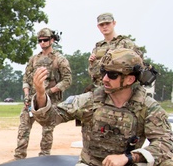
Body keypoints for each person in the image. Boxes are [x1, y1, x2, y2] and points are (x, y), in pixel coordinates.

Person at [32, 48, 173, 166]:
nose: (105, 79)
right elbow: (49, 119)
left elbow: (166, 144)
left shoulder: (147, 108)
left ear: (130, 79)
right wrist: (40, 94)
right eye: (104, 72)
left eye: (112, 75)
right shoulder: (90, 100)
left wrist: (130, 157)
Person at [13, 28, 72, 160]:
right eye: (39, 40)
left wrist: (50, 92)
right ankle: (19, 158)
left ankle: (44, 158)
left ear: (52, 40)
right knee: (23, 127)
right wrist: (27, 94)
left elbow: (67, 80)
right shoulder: (34, 59)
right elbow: (26, 78)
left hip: (50, 100)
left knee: (47, 129)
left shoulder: (59, 59)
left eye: (45, 40)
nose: (42, 43)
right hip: (32, 99)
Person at [88, 13, 143, 88]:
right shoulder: (98, 47)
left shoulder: (126, 43)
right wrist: (92, 64)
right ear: (98, 27)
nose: (104, 26)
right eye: (101, 25)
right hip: (102, 88)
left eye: (107, 23)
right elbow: (94, 73)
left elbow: (139, 66)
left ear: (114, 23)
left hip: (122, 88)